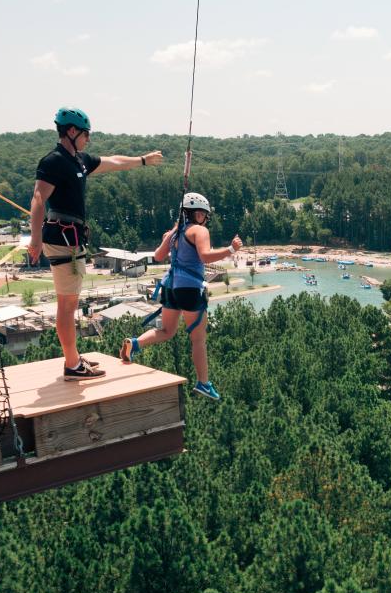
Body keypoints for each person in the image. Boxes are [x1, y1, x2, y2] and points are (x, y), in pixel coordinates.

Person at [28, 106, 163, 380]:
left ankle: (74, 359)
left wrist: (142, 161)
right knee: (66, 306)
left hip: (71, 238)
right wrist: (35, 239)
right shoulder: (53, 161)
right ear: (72, 131)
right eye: (86, 134)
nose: (88, 140)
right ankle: (71, 364)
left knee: (70, 303)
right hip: (62, 238)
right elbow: (38, 199)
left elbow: (112, 161)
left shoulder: (77, 160)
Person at [120, 192, 242, 400]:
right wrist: (230, 249)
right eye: (204, 214)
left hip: (170, 286)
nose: (205, 218)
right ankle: (203, 383)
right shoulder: (199, 230)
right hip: (190, 288)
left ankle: (136, 343)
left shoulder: (175, 233)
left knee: (167, 330)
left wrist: (168, 237)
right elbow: (204, 257)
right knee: (198, 339)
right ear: (197, 214)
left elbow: (158, 256)